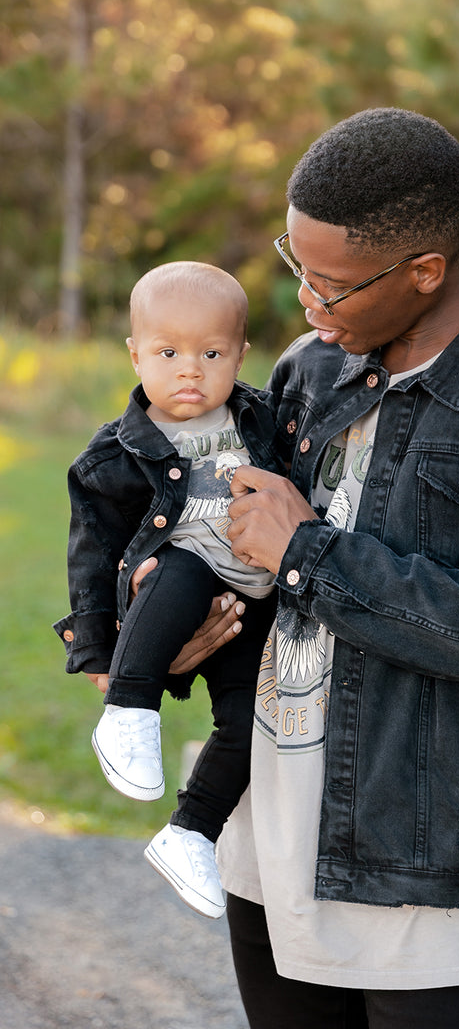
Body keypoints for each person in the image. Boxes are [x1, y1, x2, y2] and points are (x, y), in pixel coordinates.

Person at [159, 107, 459, 1028]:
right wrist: (182, 626)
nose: (306, 305)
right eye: (297, 269)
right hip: (270, 829)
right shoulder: (310, 371)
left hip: (422, 857)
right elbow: (251, 561)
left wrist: (309, 553)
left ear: (425, 271)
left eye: (330, 286)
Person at [53, 261, 284, 920]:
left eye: (211, 353)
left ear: (241, 354)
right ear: (135, 354)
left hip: (252, 607)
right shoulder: (116, 454)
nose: (190, 369)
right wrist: (99, 653)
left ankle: (190, 836)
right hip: (169, 598)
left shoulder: (265, 422)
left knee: (252, 724)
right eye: (168, 352)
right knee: (180, 563)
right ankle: (131, 710)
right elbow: (92, 554)